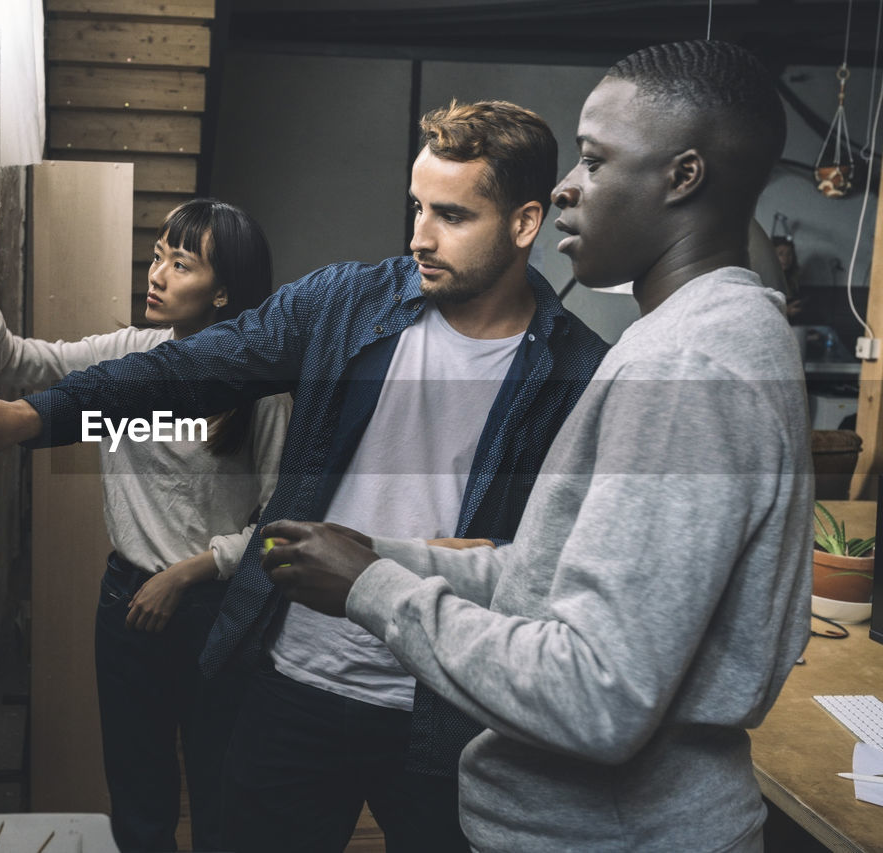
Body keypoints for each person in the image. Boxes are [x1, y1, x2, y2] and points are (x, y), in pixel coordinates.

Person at [0, 101, 608, 852]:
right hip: (294, 684)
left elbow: (555, 564)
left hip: (447, 704)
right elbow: (185, 365)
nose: (420, 236)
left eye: (452, 216)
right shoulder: (346, 304)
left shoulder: (579, 373)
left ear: (525, 224)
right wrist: (39, 418)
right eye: (417, 207)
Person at [259, 40, 812, 852]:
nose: (564, 187)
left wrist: (372, 589)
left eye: (593, 159)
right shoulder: (709, 333)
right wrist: (387, 554)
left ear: (682, 176)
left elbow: (595, 692)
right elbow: (554, 583)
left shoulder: (686, 367)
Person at [0, 199, 291, 853]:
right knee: (138, 794)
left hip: (216, 607)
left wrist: (189, 572)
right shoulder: (132, 352)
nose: (156, 274)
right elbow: (23, 367)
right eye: (157, 256)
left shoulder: (262, 390)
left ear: (223, 293)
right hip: (128, 601)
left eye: (180, 264)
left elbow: (278, 525)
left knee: (220, 795)